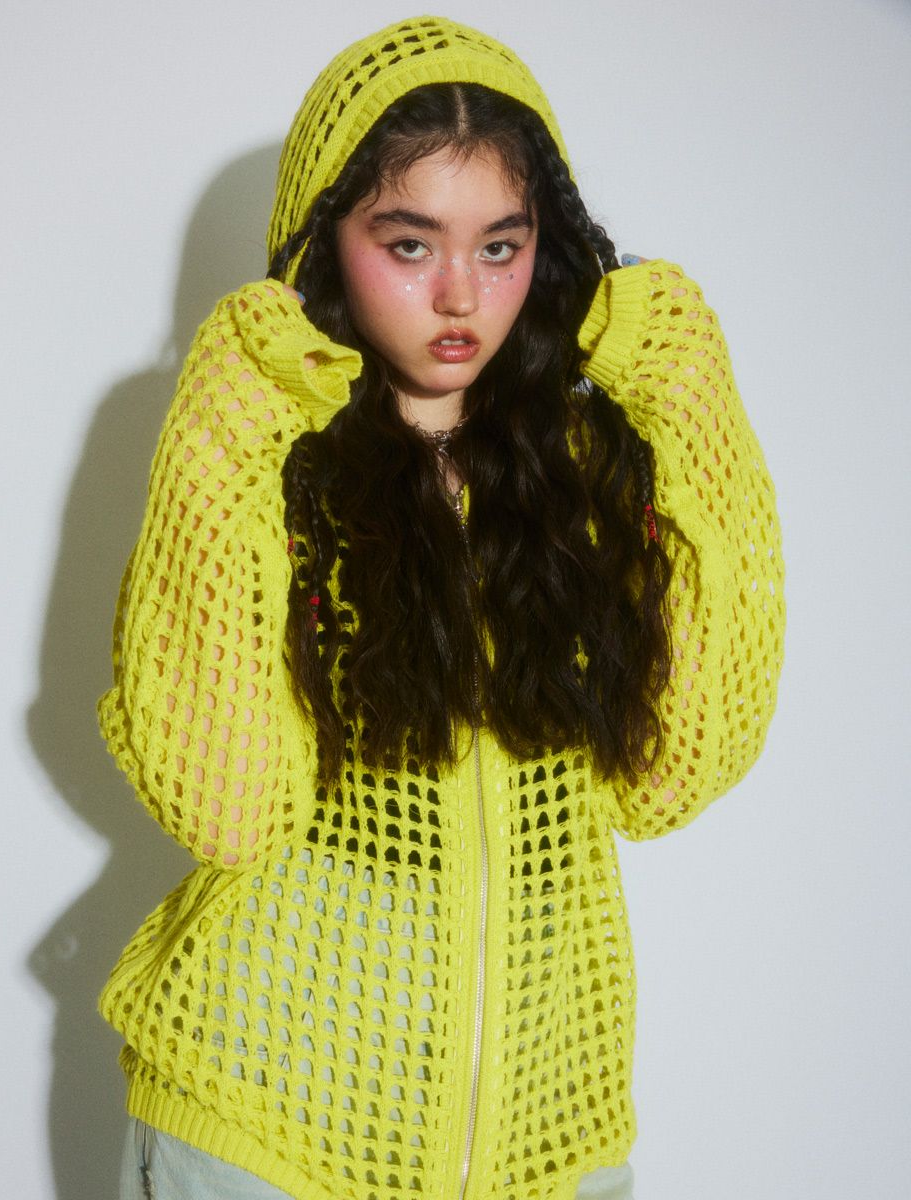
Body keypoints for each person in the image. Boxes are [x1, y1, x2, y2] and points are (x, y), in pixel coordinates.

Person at [99, 15, 785, 1200]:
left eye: (500, 246)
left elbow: (674, 776)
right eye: (409, 244)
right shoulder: (269, 460)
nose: (460, 293)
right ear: (327, 239)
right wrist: (234, 404)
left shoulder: (585, 475)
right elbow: (224, 806)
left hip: (543, 1146)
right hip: (259, 1133)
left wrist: (688, 398)